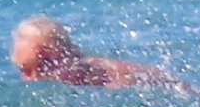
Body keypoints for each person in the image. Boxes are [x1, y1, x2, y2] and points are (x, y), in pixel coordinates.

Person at [12, 17, 183, 91]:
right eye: (24, 70)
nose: (33, 78)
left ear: (63, 55)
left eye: (42, 66)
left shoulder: (85, 73)